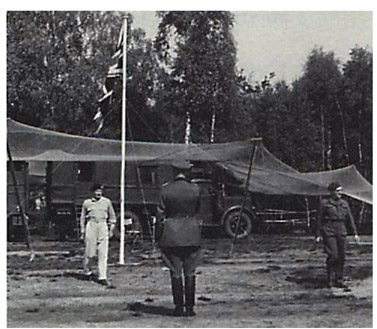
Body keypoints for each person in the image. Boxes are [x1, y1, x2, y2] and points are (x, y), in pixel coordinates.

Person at [155, 160, 201, 317]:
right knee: (190, 272)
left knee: (175, 272)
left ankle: (178, 307)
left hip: (172, 235)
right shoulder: (195, 189)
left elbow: (160, 215)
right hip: (192, 234)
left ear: (174, 172)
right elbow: (197, 210)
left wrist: (158, 236)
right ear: (187, 172)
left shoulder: (166, 190)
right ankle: (190, 308)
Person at [315, 182, 360, 288]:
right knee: (333, 255)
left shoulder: (344, 203)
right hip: (329, 231)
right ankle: (330, 279)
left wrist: (355, 233)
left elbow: (350, 219)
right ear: (332, 192)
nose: (340, 193)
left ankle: (339, 279)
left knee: (342, 256)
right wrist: (318, 234)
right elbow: (319, 219)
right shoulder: (324, 203)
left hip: (341, 231)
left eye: (341, 190)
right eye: (338, 191)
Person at [80, 183, 116, 286]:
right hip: (91, 225)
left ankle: (102, 276)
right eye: (96, 191)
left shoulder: (107, 202)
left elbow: (112, 217)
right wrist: (82, 231)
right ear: (92, 192)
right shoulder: (87, 203)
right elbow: (82, 218)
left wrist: (111, 229)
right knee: (90, 252)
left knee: (103, 253)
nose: (98, 193)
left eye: (100, 191)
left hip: (102, 226)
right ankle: (88, 271)